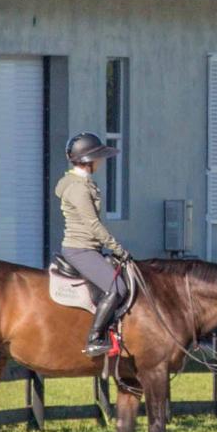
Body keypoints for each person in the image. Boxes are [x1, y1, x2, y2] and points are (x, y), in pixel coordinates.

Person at [54, 131, 138, 358]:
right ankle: (94, 339)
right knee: (117, 288)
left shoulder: (83, 183)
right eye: (99, 157)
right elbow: (93, 224)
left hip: (88, 247)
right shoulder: (78, 188)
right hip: (80, 249)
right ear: (88, 160)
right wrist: (117, 248)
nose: (101, 161)